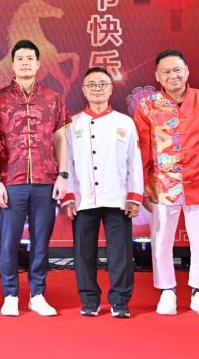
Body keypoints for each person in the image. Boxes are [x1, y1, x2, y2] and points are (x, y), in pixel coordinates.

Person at [133, 49, 199, 317]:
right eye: (166, 71)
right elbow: (141, 148)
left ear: (187, 71)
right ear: (157, 76)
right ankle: (167, 290)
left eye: (177, 69)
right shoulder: (147, 106)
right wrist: (141, 185)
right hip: (160, 185)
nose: (173, 75)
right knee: (161, 238)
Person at [0, 39, 71, 317]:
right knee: (8, 242)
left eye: (30, 59)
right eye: (20, 59)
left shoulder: (53, 97)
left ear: (39, 63)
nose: (25, 63)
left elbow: (60, 138)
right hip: (11, 182)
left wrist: (62, 175)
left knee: (41, 241)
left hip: (46, 180)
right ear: (12, 64)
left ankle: (37, 293)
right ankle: (10, 294)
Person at [61, 67, 143, 318]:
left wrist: (134, 196)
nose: (97, 89)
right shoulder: (72, 124)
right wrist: (68, 196)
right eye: (92, 85)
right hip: (84, 199)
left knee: (120, 253)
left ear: (110, 88)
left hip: (117, 198)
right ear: (84, 91)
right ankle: (89, 299)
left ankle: (120, 300)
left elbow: (134, 161)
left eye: (102, 84)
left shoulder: (124, 122)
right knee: (83, 252)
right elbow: (68, 163)